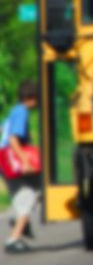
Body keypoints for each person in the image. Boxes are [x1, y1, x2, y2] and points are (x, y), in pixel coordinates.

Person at [2, 81, 40, 254]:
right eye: (36, 98)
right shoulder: (22, 112)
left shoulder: (14, 111)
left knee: (23, 193)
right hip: (11, 158)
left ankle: (19, 221)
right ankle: (14, 238)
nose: (38, 102)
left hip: (3, 159)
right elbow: (13, 139)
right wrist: (25, 161)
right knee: (29, 194)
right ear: (29, 98)